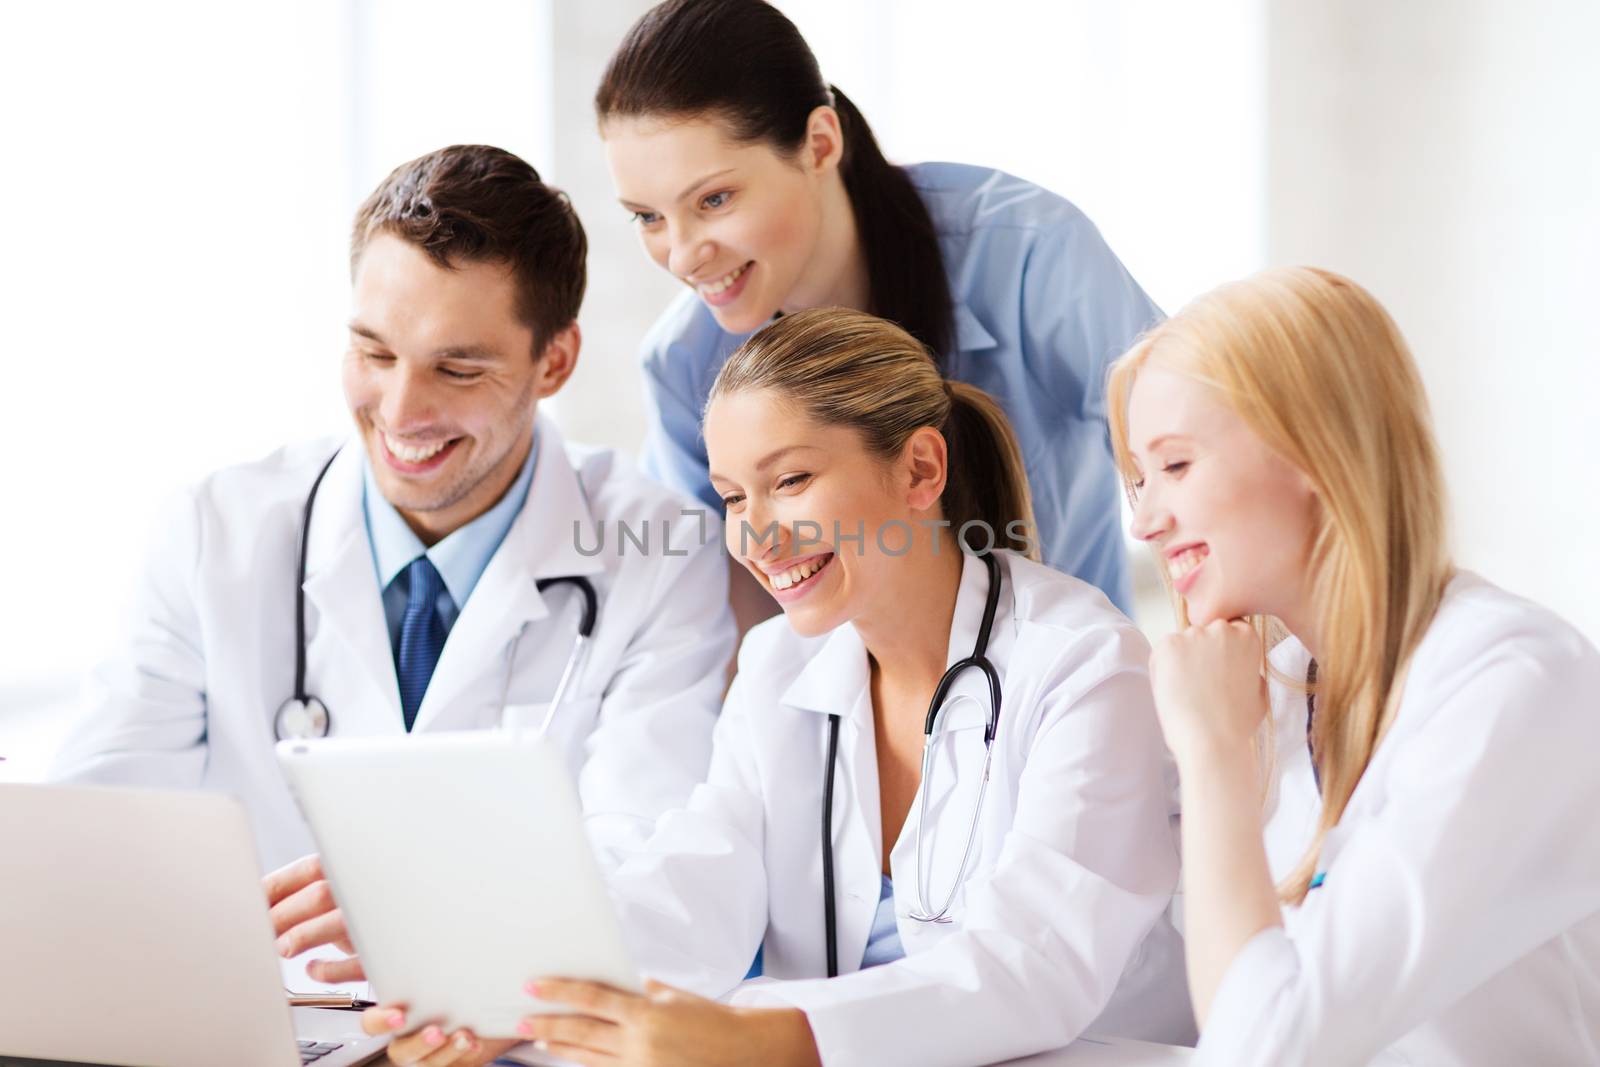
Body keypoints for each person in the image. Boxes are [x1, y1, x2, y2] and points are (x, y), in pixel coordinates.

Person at [360, 309, 1193, 1067]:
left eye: (790, 481)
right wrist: (522, 991)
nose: (754, 535)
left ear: (920, 469)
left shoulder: (1082, 664)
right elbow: (697, 880)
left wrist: (763, 1034)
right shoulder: (778, 666)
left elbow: (1033, 968)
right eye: (731, 496)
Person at [52, 144, 735, 982]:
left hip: (514, 1029)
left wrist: (423, 908)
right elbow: (92, 833)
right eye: (375, 354)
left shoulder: (657, 549)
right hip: (273, 1020)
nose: (403, 410)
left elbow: (645, 867)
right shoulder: (215, 532)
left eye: (457, 366)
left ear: (553, 361)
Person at [1109, 266, 1600, 1065]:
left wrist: (1210, 757)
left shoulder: (1510, 684)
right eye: (1137, 479)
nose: (1145, 522)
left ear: (1311, 444)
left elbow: (1262, 1046)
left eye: (1176, 466)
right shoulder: (1276, 685)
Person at [595, 0, 1161, 620]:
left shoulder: (1027, 252)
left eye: (716, 199)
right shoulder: (684, 364)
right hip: (847, 705)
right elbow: (716, 609)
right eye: (648, 217)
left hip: (1072, 677)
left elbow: (1193, 452)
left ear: (818, 144)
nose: (681, 257)